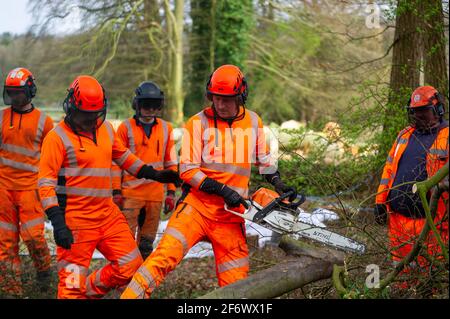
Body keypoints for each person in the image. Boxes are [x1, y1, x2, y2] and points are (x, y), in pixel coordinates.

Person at [121, 64, 297, 299]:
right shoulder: (198, 123)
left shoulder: (253, 121)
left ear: (240, 96)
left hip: (231, 215)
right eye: (216, 98)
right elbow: (188, 171)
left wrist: (277, 182)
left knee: (237, 284)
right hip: (196, 208)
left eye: (227, 99)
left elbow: (264, 160)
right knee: (162, 258)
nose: (221, 105)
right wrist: (222, 189)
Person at [38, 75, 180, 298]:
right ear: (72, 106)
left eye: (94, 114)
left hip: (108, 217)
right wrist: (57, 223)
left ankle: (87, 291)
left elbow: (124, 157)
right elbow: (45, 184)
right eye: (85, 115)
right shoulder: (56, 138)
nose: (90, 119)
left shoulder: (105, 130)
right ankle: (76, 291)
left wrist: (156, 174)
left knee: (132, 266)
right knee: (70, 287)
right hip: (75, 224)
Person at [375, 86, 448, 269]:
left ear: (438, 110)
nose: (418, 115)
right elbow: (389, 171)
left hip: (432, 224)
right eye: (415, 111)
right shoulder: (404, 135)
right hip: (398, 221)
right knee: (401, 270)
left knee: (429, 274)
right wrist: (380, 201)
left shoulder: (447, 136)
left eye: (423, 110)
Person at [0, 67, 53, 297]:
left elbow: (53, 158)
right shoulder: (1, 117)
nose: (14, 97)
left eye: (18, 92)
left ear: (29, 91)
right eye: (11, 92)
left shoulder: (44, 121)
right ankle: (11, 289)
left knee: (34, 237)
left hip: (31, 189)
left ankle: (44, 272)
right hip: (3, 189)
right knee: (4, 243)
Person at [114, 81, 178, 259]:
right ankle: (124, 280)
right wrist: (116, 191)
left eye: (155, 105)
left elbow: (171, 162)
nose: (151, 109)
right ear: (138, 105)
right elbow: (115, 162)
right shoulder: (125, 128)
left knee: (146, 243)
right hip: (130, 195)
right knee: (125, 243)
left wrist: (171, 193)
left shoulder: (166, 128)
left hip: (155, 196)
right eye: (147, 105)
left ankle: (141, 280)